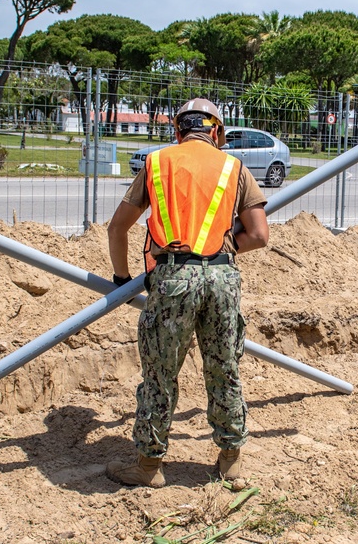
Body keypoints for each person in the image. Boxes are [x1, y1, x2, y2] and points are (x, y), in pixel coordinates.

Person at [106, 98, 270, 489]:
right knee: (223, 367)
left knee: (160, 374)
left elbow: (117, 228)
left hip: (172, 279)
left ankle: (149, 465)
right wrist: (225, 247)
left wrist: (122, 278)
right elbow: (260, 236)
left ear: (178, 130)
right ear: (217, 132)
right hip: (222, 280)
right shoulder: (235, 167)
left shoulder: (157, 163)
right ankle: (230, 459)